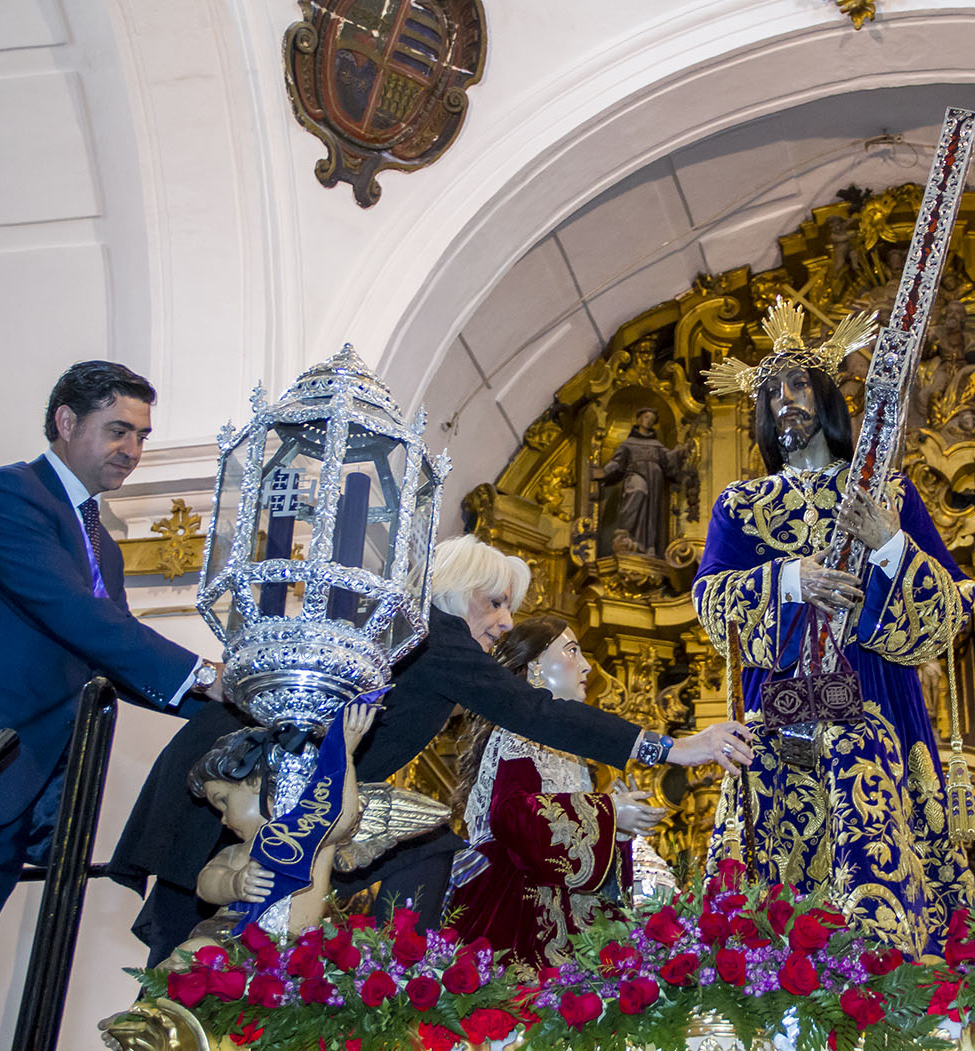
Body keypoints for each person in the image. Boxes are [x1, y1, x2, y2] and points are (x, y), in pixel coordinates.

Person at [113, 534, 753, 963]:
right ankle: (399, 978)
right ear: (455, 589)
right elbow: (534, 712)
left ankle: (388, 976)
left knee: (213, 959)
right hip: (236, 787)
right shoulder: (435, 635)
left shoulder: (414, 636)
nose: (505, 622)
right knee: (194, 963)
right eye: (496, 602)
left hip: (281, 794)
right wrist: (672, 748)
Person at [0, 360, 224, 1051]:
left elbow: (113, 660)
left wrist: (231, 711)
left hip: (17, 791)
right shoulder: (10, 495)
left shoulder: (97, 534)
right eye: (117, 430)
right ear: (66, 421)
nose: (131, 450)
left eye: (141, 435)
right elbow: (80, 619)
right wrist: (206, 674)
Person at [697, 301, 975, 958]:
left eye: (797, 386)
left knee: (878, 836)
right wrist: (793, 580)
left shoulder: (891, 491)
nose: (784, 403)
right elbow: (712, 600)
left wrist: (887, 546)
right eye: (769, 396)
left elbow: (954, 601)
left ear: (824, 396)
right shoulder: (740, 506)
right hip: (782, 703)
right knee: (777, 859)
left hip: (878, 694)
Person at [445, 617, 667, 977]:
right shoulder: (520, 735)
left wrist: (616, 832)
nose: (587, 666)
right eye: (572, 651)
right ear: (534, 667)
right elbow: (511, 814)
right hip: (517, 903)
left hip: (558, 898)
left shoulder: (563, 747)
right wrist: (607, 812)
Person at [187, 702, 378, 942]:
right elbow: (206, 884)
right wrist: (234, 883)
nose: (223, 819)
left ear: (255, 782)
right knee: (191, 954)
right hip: (228, 943)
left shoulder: (306, 834)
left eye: (223, 801)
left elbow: (341, 819)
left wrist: (344, 754)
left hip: (284, 955)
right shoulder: (237, 853)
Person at [593, 407, 686, 557]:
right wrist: (604, 472)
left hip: (655, 480)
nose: (648, 421)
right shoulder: (628, 444)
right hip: (635, 474)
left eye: (651, 419)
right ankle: (624, 534)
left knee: (650, 512)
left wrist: (680, 451)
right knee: (637, 491)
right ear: (639, 419)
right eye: (646, 417)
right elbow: (617, 462)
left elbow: (669, 460)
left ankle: (646, 545)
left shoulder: (657, 445)